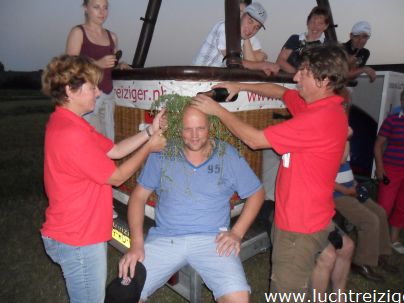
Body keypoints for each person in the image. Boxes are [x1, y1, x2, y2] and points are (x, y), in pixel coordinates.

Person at [192, 44, 349, 301]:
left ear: (324, 80)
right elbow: (279, 91)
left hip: (298, 229)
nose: (295, 77)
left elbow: (254, 140)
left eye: (304, 73)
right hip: (314, 216)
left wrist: (217, 111)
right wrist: (240, 86)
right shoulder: (321, 106)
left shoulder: (318, 119)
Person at [40, 54, 166, 303]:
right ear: (70, 90)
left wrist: (150, 131)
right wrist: (149, 147)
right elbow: (117, 177)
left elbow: (115, 151)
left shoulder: (70, 122)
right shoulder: (71, 133)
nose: (98, 93)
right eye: (92, 87)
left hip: (73, 231)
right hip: (77, 238)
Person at [119, 106, 265, 302]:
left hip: (213, 241)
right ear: (179, 129)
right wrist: (136, 244)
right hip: (166, 238)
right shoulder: (163, 152)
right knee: (123, 295)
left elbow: (257, 192)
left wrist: (237, 233)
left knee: (239, 298)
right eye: (188, 129)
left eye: (201, 128)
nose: (194, 136)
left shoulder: (227, 154)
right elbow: (138, 197)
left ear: (210, 127)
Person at [333, 129, 397, 282]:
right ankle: (362, 262)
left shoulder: (343, 144)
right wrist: (348, 191)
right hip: (337, 195)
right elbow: (325, 180)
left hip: (350, 189)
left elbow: (346, 170)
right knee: (369, 220)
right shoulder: (327, 147)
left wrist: (355, 186)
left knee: (380, 213)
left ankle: (378, 255)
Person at [66, 0, 130, 141]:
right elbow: (69, 66)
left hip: (108, 96)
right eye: (96, 7)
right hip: (87, 97)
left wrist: (119, 66)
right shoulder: (78, 32)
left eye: (105, 7)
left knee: (108, 141)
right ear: (86, 8)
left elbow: (110, 66)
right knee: (91, 142)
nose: (102, 12)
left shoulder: (112, 36)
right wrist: (97, 64)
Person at [192, 2, 279, 76]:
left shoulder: (244, 37)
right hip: (196, 80)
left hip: (212, 81)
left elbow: (254, 59)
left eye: (256, 27)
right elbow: (233, 62)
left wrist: (261, 65)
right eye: (250, 22)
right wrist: (261, 65)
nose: (251, 30)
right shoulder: (225, 28)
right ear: (241, 16)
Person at [374, 89, 404, 254]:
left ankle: (394, 239)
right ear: (402, 100)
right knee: (384, 206)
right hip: (391, 168)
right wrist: (379, 167)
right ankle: (379, 240)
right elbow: (378, 145)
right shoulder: (392, 120)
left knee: (402, 206)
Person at [276, 6, 330, 74]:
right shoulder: (294, 39)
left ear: (326, 26)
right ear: (307, 23)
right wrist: (299, 74)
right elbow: (280, 61)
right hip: (288, 82)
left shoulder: (328, 46)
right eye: (313, 22)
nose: (315, 26)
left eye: (320, 23)